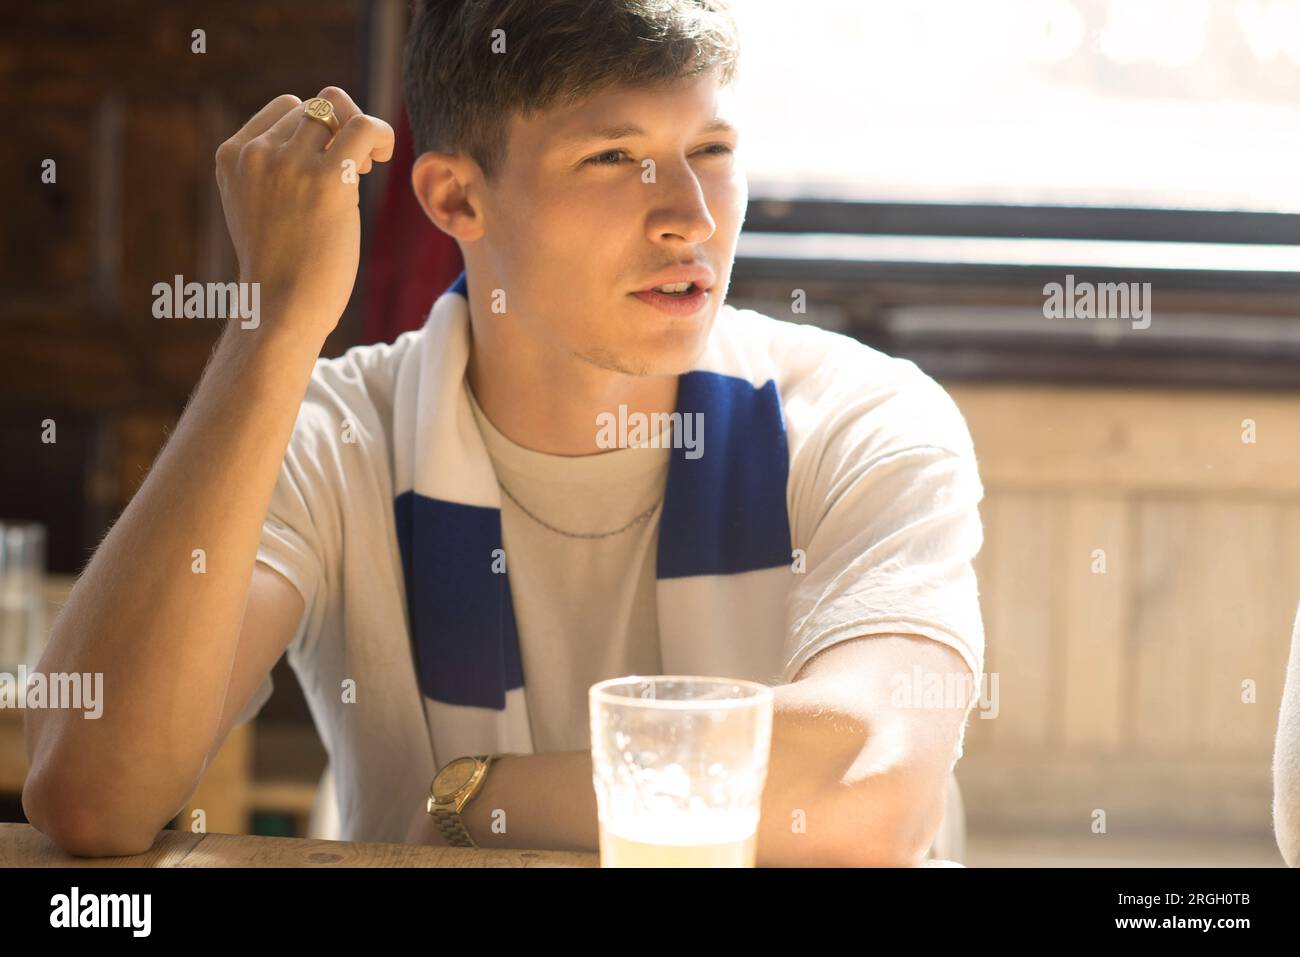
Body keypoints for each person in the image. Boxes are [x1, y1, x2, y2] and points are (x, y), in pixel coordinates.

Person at [22, 0, 986, 867]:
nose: (689, 219)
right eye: (614, 158)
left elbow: (867, 792)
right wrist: (274, 324)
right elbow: (90, 790)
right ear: (454, 199)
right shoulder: (335, 437)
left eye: (712, 151)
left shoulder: (864, 418)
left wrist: (472, 801)